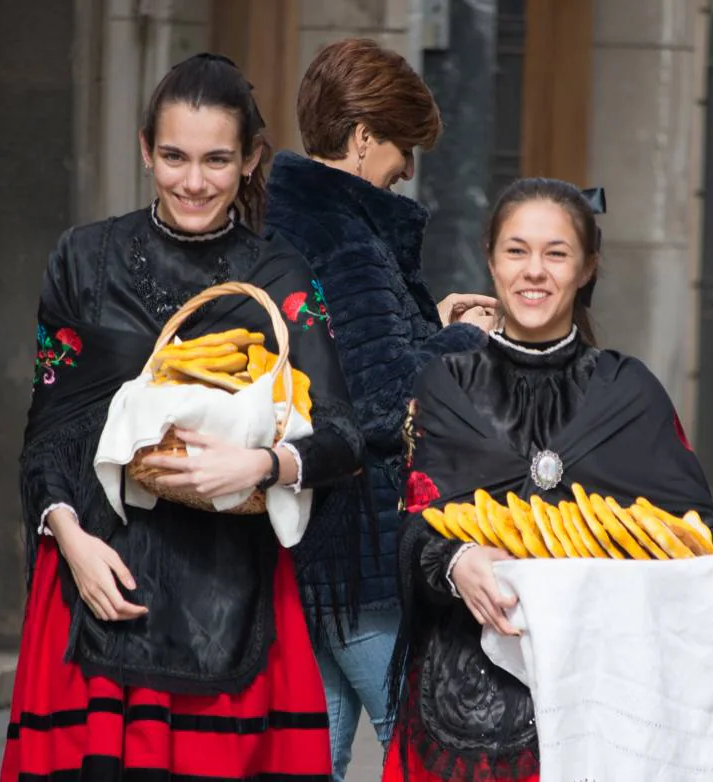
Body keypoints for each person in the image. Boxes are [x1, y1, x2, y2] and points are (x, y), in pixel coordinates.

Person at [2, 53, 364, 781]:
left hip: (231, 585)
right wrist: (68, 538)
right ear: (145, 149)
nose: (193, 181)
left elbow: (345, 437)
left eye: (216, 160)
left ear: (251, 159)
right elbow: (45, 431)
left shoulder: (280, 275)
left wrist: (261, 464)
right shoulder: (83, 257)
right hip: (95, 579)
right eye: (173, 156)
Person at [381, 177, 713, 781]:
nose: (535, 271)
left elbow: (703, 533)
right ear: (491, 260)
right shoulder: (446, 385)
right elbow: (414, 531)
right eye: (517, 251)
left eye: (556, 253)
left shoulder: (629, 390)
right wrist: (455, 563)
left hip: (610, 701)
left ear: (587, 267)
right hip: (468, 707)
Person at [265, 38, 498, 776]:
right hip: (361, 545)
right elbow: (376, 401)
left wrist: (435, 327)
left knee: (313, 756)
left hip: (306, 544)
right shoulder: (347, 235)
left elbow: (347, 361)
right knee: (432, 748)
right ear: (363, 137)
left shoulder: (292, 219)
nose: (407, 169)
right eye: (404, 148)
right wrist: (466, 338)